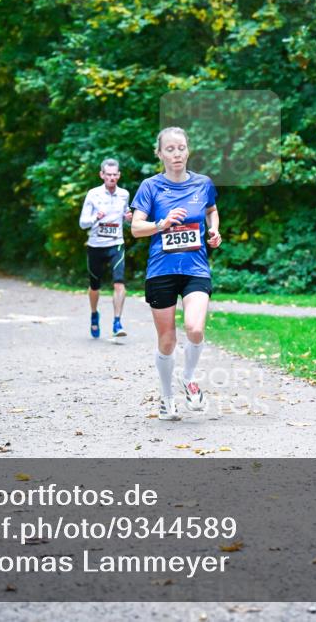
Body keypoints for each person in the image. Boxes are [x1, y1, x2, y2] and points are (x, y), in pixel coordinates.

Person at [131, 127, 221, 421]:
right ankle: (167, 398)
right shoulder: (150, 187)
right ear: (160, 154)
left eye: (181, 148)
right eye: (169, 149)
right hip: (161, 271)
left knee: (195, 329)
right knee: (167, 340)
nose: (177, 154)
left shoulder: (203, 183)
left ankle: (189, 377)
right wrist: (162, 223)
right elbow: (136, 228)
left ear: (188, 150)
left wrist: (214, 230)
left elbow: (211, 210)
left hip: (196, 268)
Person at [79, 158, 133, 339]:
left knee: (119, 282)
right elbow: (82, 223)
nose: (111, 178)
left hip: (116, 244)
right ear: (101, 175)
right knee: (95, 286)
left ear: (119, 175)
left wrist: (128, 218)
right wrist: (96, 217)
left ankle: (117, 322)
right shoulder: (93, 194)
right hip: (96, 245)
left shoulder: (124, 194)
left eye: (114, 175)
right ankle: (94, 314)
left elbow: (125, 215)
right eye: (108, 174)